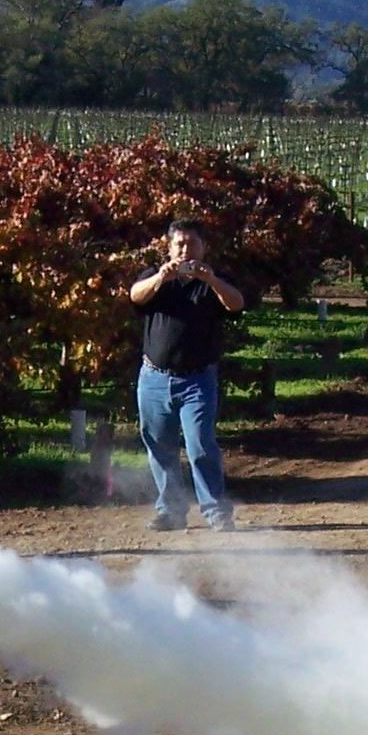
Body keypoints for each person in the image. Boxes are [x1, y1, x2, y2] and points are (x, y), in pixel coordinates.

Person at [127, 216, 246, 532]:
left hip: (197, 380)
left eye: (192, 243)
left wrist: (213, 281)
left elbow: (236, 304)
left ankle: (216, 511)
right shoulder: (155, 276)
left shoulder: (214, 280)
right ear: (168, 248)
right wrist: (159, 280)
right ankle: (171, 511)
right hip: (153, 378)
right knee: (159, 446)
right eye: (178, 244)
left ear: (204, 247)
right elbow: (134, 295)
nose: (185, 250)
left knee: (200, 444)